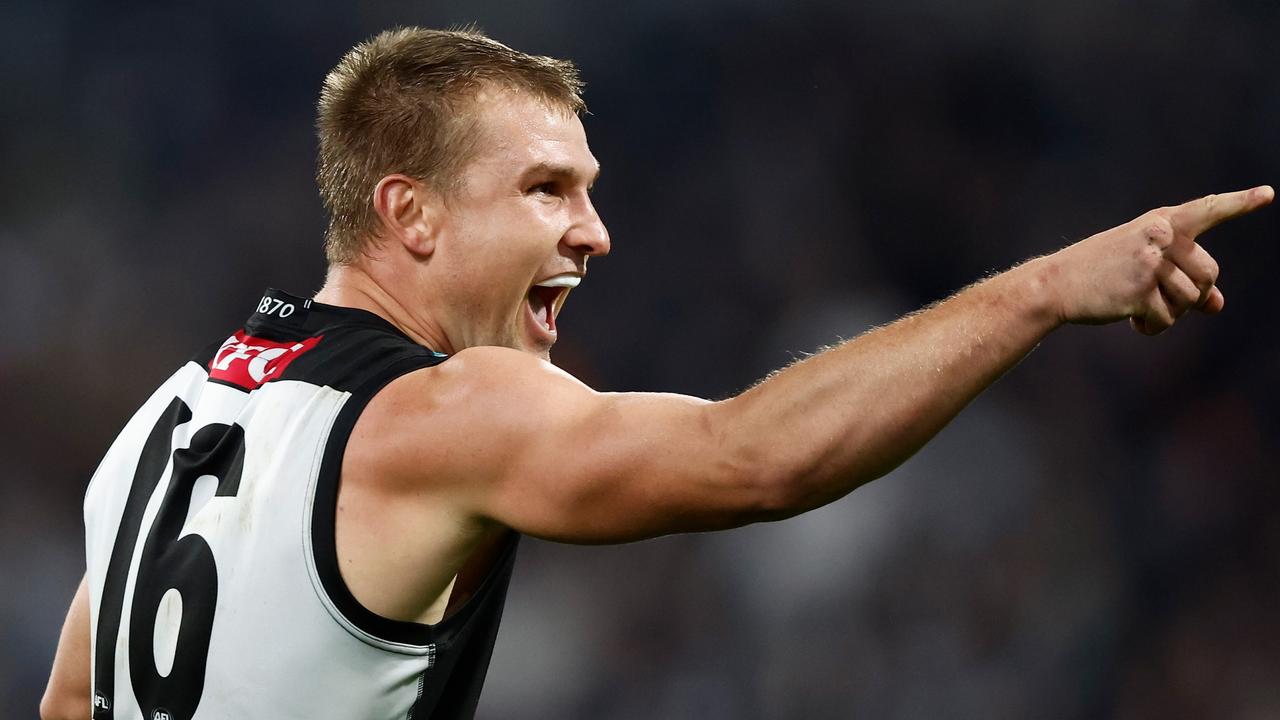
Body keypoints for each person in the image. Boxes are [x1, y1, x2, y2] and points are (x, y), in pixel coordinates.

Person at [40, 26, 1271, 720]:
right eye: (544, 190)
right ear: (410, 215)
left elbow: (74, 697)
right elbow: (749, 461)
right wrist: (1041, 290)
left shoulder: (172, 412)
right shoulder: (439, 411)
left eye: (590, 190)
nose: (594, 232)